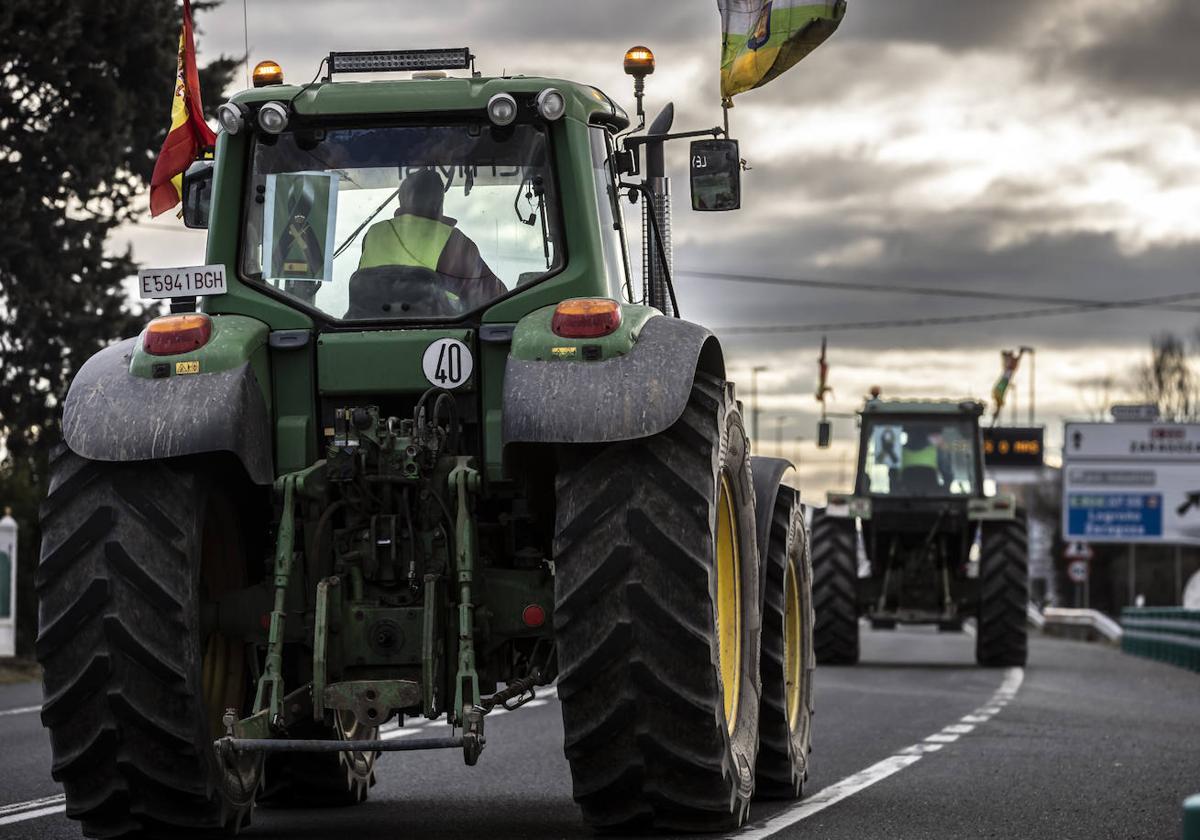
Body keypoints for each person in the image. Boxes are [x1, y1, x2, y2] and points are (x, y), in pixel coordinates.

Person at [358, 169, 505, 308]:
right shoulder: (453, 241)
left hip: (363, 330)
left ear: (401, 201)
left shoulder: (373, 234)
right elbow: (494, 300)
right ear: (439, 203)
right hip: (433, 332)